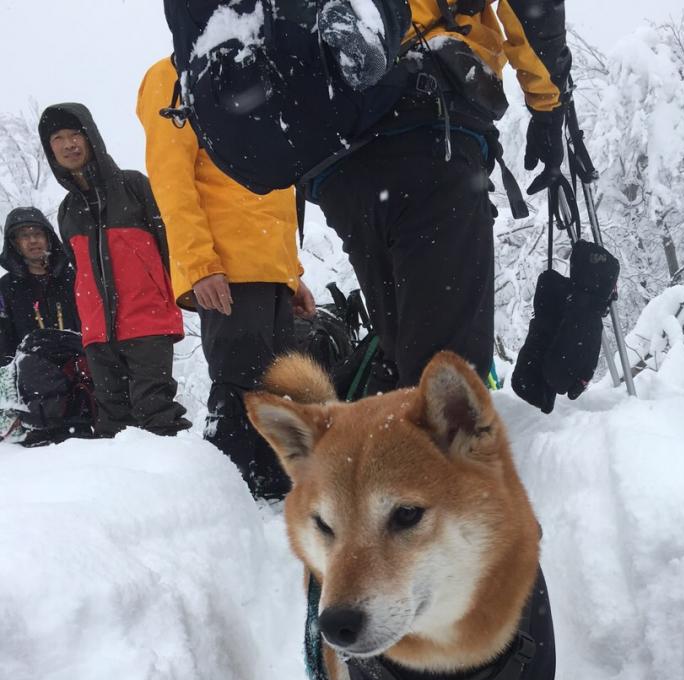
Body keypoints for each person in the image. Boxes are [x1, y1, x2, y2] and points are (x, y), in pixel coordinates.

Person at [310, 0, 572, 394]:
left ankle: (388, 442)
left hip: (334, 155)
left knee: (405, 359)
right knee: (449, 379)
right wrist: (548, 105)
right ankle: (431, 447)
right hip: (428, 124)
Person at [137, 57, 316, 499]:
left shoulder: (258, 70)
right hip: (226, 266)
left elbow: (276, 190)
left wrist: (292, 274)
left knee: (275, 388)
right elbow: (172, 181)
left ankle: (273, 491)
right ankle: (225, 501)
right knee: (241, 386)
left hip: (269, 269)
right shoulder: (174, 75)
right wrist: (200, 266)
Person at [37, 103, 190, 437]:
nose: (68, 144)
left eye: (75, 134)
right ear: (51, 151)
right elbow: (79, 270)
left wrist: (176, 295)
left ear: (91, 136)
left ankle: (181, 486)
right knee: (111, 422)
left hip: (147, 320)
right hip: (97, 332)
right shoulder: (66, 211)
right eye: (58, 139)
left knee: (156, 413)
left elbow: (170, 246)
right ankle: (124, 490)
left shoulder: (135, 186)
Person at [0, 206, 95, 444]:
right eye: (24, 235)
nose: (33, 240)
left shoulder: (73, 278)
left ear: (48, 237)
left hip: (80, 371)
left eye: (37, 233)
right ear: (14, 243)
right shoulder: (6, 287)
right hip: (32, 382)